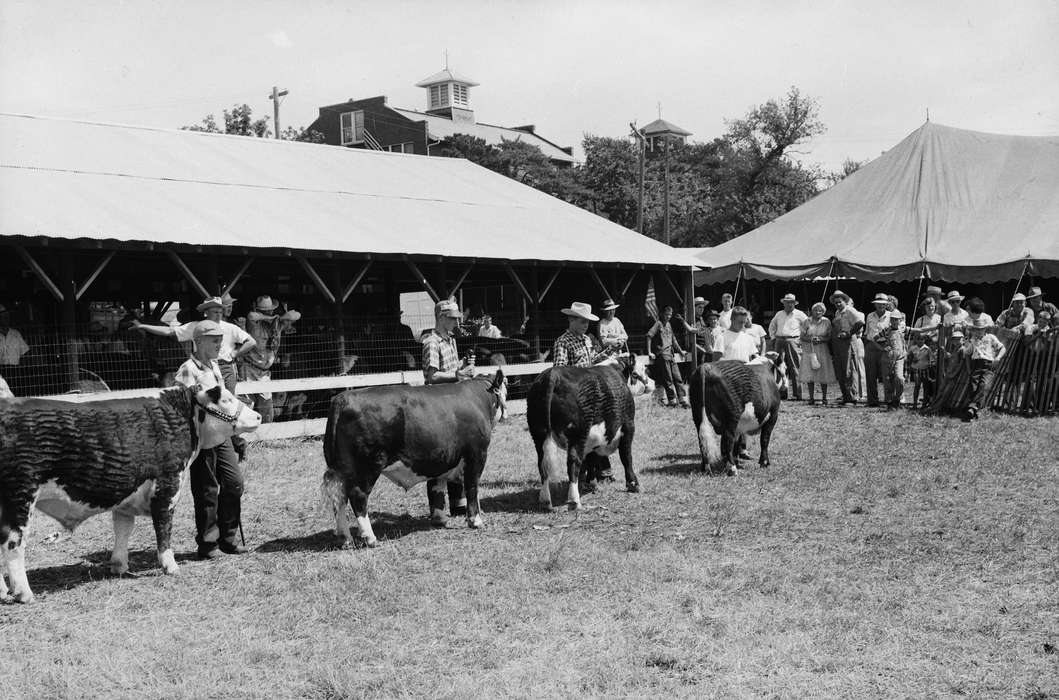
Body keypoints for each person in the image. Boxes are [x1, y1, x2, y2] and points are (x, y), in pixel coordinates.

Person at [173, 320, 247, 559]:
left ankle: (228, 538)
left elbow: (223, 404)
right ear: (199, 342)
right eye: (214, 340)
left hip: (221, 435)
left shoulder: (215, 366)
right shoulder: (187, 370)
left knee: (234, 483)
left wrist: (235, 434)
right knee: (206, 490)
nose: (219, 344)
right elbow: (178, 408)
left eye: (220, 340)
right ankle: (208, 543)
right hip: (202, 440)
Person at [423, 299, 475, 517]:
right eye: (453, 318)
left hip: (453, 403)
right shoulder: (431, 342)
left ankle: (458, 502)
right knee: (439, 455)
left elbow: (451, 370)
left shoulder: (450, 340)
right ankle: (437, 508)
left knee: (457, 453)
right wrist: (457, 375)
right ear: (441, 317)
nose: (456, 322)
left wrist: (462, 366)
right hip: (438, 406)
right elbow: (431, 375)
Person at [553, 301, 613, 483]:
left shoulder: (587, 339)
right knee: (584, 435)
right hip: (575, 394)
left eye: (587, 322)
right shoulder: (563, 342)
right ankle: (591, 473)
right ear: (571, 320)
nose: (586, 325)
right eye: (582, 321)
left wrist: (606, 354)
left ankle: (601, 471)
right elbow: (560, 371)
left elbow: (590, 360)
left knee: (598, 431)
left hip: (591, 391)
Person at [961, 316, 1007, 421]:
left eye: (980, 329)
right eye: (976, 329)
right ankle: (975, 409)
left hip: (988, 364)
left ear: (985, 329)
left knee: (983, 385)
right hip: (976, 364)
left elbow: (1002, 348)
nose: (978, 331)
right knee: (973, 385)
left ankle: (972, 408)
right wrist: (968, 369)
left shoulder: (991, 337)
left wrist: (998, 358)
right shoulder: (972, 340)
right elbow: (967, 354)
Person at [646, 305, 689, 408]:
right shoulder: (658, 324)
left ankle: (682, 400)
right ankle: (672, 401)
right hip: (663, 355)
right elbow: (649, 335)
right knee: (668, 379)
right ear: (662, 314)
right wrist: (649, 352)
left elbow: (673, 340)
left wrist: (681, 352)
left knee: (677, 377)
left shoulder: (669, 324)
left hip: (671, 354)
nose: (668, 317)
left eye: (670, 315)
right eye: (666, 315)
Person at [768, 293, 807, 400]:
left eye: (791, 302)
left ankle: (798, 394)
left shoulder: (800, 314)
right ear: (784, 303)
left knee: (795, 367)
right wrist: (773, 338)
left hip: (793, 340)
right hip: (779, 340)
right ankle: (781, 393)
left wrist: (801, 338)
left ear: (794, 303)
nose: (789, 304)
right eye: (787, 302)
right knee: (779, 367)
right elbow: (772, 326)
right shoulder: (779, 314)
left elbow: (808, 326)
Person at [829, 290, 864, 405]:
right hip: (838, 342)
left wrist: (849, 333)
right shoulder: (837, 313)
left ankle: (853, 397)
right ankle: (845, 396)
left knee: (849, 369)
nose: (838, 304)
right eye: (836, 303)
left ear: (845, 301)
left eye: (840, 302)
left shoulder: (850, 310)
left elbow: (860, 322)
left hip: (848, 341)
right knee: (841, 370)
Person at [800, 302, 836, 405]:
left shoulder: (826, 321)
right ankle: (811, 398)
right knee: (810, 373)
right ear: (812, 311)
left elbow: (829, 336)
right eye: (816, 310)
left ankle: (824, 397)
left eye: (820, 310)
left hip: (822, 349)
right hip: (809, 349)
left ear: (823, 312)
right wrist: (811, 338)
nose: (818, 312)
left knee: (823, 373)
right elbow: (802, 336)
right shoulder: (807, 321)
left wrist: (820, 339)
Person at [862, 292, 892, 407]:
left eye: (883, 304)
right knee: (870, 374)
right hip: (870, 345)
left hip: (885, 345)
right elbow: (867, 333)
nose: (881, 306)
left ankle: (888, 400)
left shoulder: (891, 315)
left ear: (886, 305)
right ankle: (872, 401)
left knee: (887, 374)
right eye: (878, 304)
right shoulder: (869, 315)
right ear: (875, 305)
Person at [0, 304, 30, 394]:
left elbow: (25, 352)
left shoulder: (16, 334)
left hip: (16, 371)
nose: (6, 319)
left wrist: (23, 369)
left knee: (17, 395)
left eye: (7, 316)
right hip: (1, 371)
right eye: (3, 316)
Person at [883, 311, 907, 409]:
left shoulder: (903, 329)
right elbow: (874, 338)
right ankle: (890, 402)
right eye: (892, 319)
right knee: (889, 380)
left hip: (899, 359)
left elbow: (918, 330)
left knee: (900, 378)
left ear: (900, 320)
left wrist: (935, 327)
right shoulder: (886, 331)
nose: (894, 321)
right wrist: (883, 347)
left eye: (896, 319)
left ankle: (898, 398)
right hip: (889, 358)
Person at [909, 335, 936, 409]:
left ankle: (924, 403)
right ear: (916, 340)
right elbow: (909, 358)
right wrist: (912, 361)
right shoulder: (913, 348)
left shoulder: (927, 349)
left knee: (925, 387)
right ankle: (914, 403)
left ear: (924, 340)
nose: (920, 341)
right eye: (919, 339)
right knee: (917, 386)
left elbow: (931, 359)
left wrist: (930, 364)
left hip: (925, 369)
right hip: (916, 369)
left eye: (922, 339)